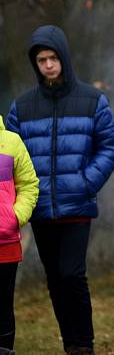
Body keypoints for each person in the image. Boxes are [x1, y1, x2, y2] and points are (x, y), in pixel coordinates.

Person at [6, 25, 114, 355]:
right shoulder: (22, 107)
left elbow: (109, 146)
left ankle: (83, 344)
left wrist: (86, 182)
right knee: (55, 280)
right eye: (42, 59)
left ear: (64, 58)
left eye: (53, 57)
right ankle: (70, 343)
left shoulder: (92, 100)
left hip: (76, 207)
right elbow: (11, 156)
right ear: (35, 63)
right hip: (40, 209)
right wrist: (20, 201)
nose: (48, 65)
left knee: (72, 275)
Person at [0, 115, 38, 353]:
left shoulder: (12, 141)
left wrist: (14, 217)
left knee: (2, 306)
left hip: (5, 241)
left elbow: (29, 184)